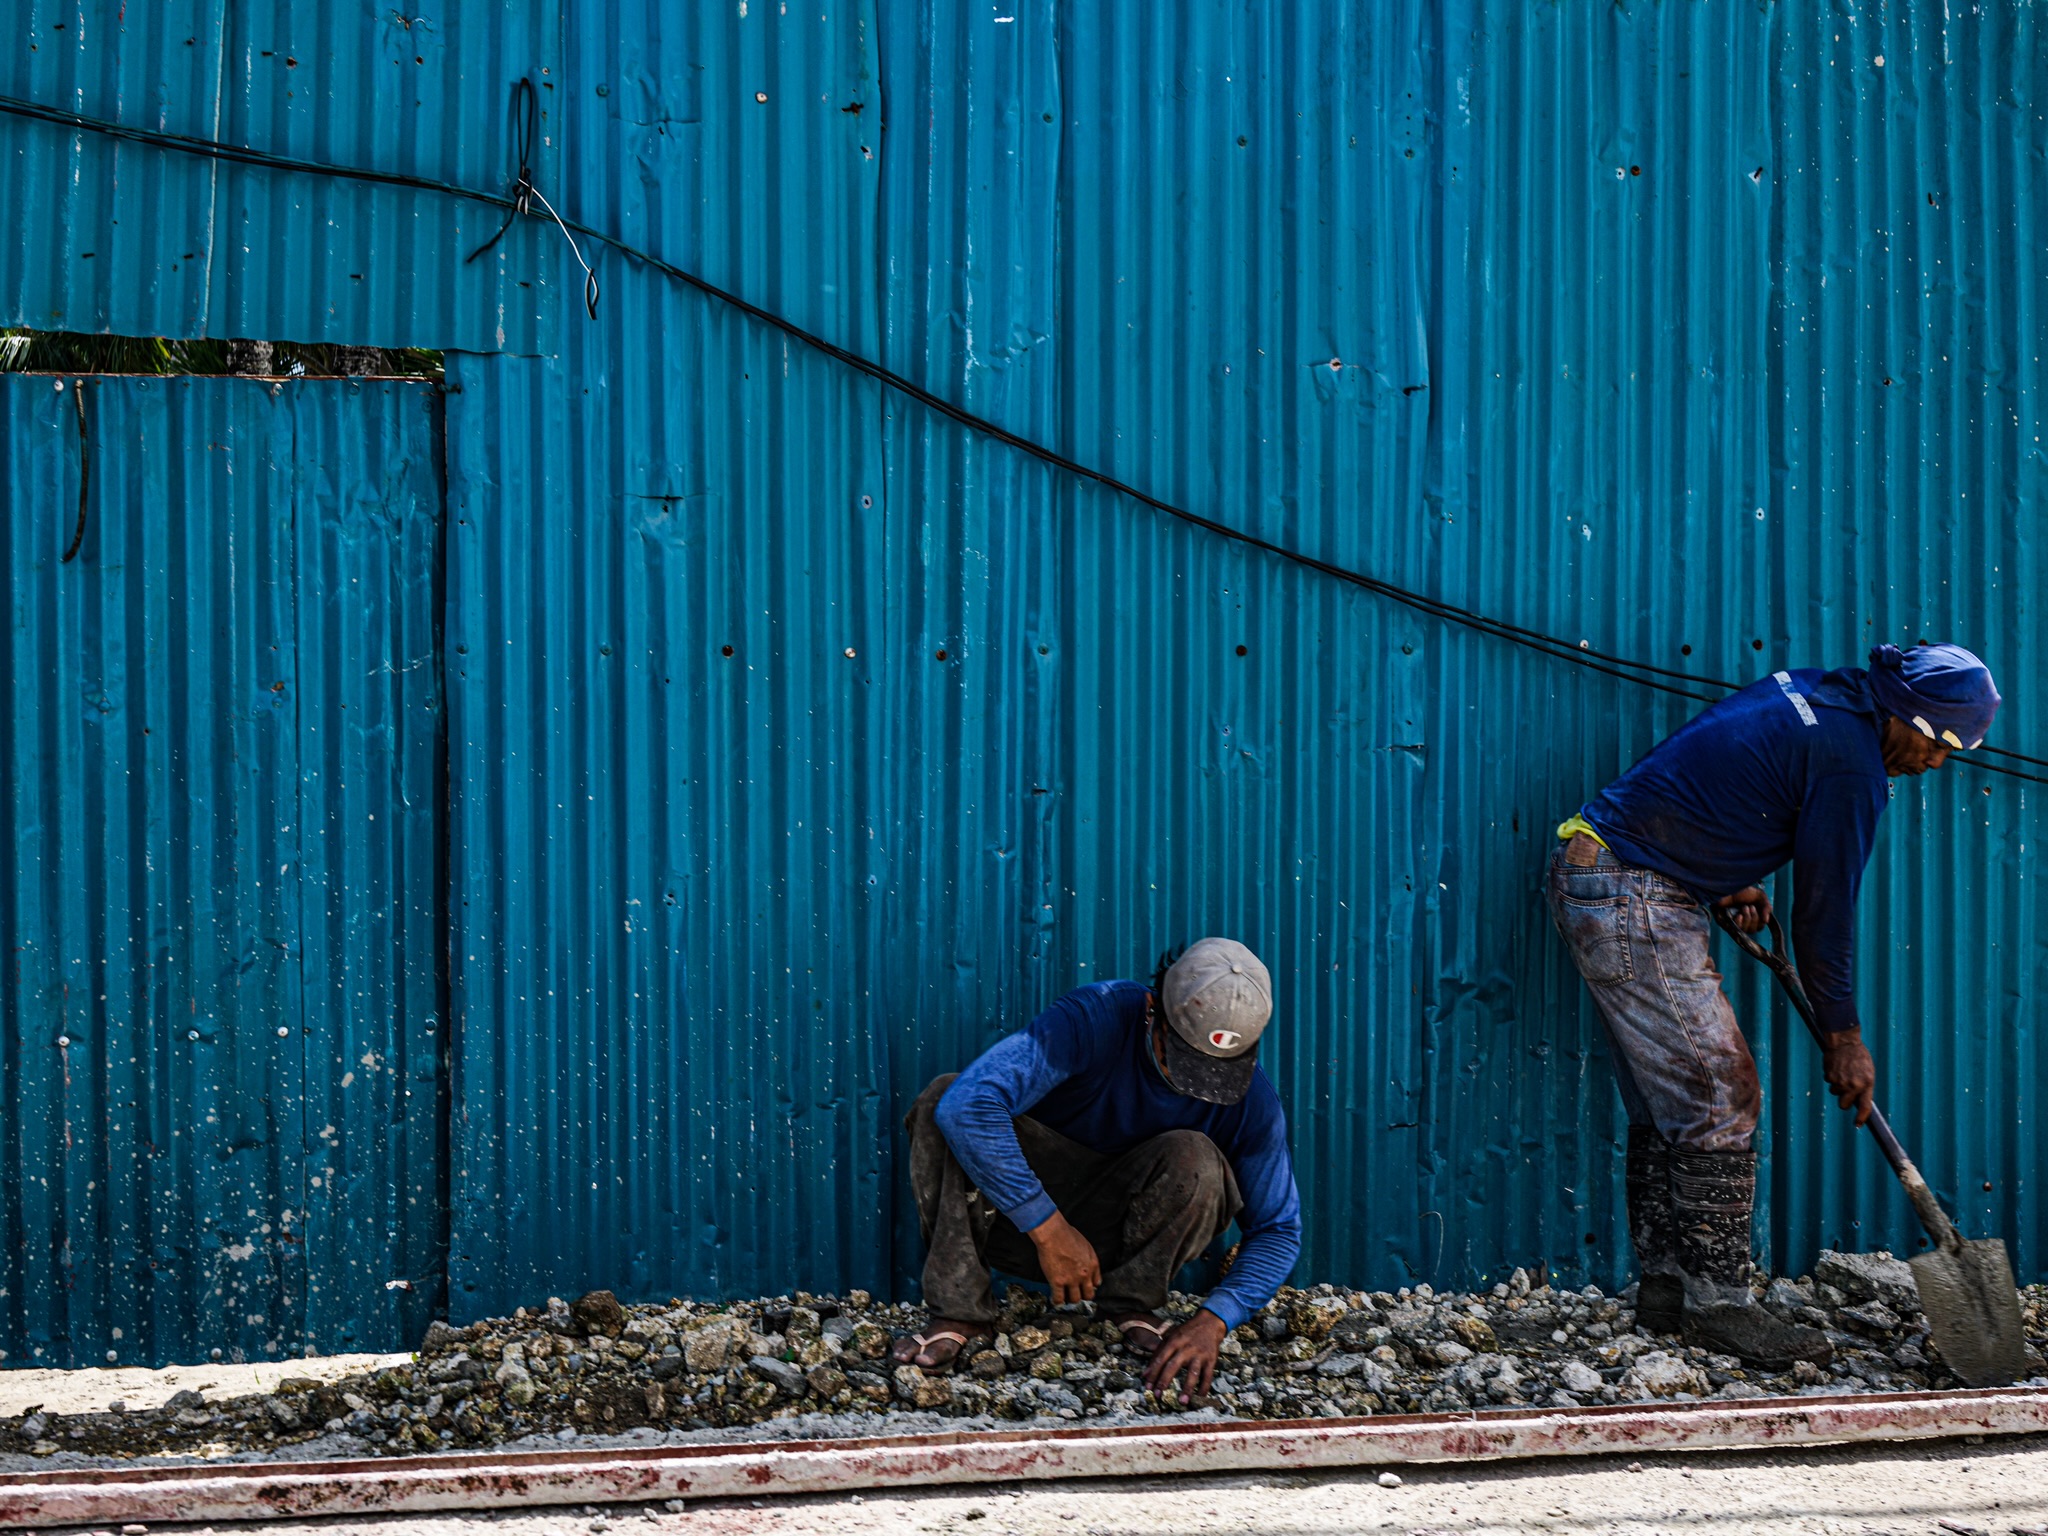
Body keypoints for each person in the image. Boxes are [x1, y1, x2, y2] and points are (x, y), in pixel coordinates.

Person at [1549, 643, 2001, 1368]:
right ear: (1910, 716)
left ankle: (1667, 1292)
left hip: (1608, 874)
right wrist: (1843, 1036)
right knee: (1722, 1099)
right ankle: (1721, 1307)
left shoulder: (1823, 694)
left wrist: (1720, 867)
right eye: (1942, 742)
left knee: (1674, 1107)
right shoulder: (1852, 764)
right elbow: (1825, 914)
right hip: (1631, 892)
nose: (1938, 762)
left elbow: (1722, 773)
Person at [894, 937, 1302, 1404]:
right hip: (1016, 1222)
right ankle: (960, 1312)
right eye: (1184, 1061)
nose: (1200, 1088)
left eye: (1219, 1071)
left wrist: (1214, 1320)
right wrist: (1048, 1230)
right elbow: (969, 1106)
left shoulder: (1253, 1102)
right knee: (941, 1100)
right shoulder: (1097, 1017)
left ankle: (1129, 1305)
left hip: (1117, 1238)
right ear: (1153, 1010)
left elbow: (1278, 1228)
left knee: (1196, 1156)